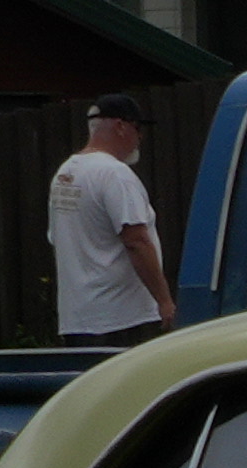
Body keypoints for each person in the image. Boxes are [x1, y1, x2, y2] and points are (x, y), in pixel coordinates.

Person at [51, 97, 175, 345]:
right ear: (120, 126)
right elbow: (136, 241)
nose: (140, 138)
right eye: (138, 129)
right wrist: (164, 301)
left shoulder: (66, 173)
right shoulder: (115, 174)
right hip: (123, 321)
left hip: (78, 320)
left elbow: (57, 238)